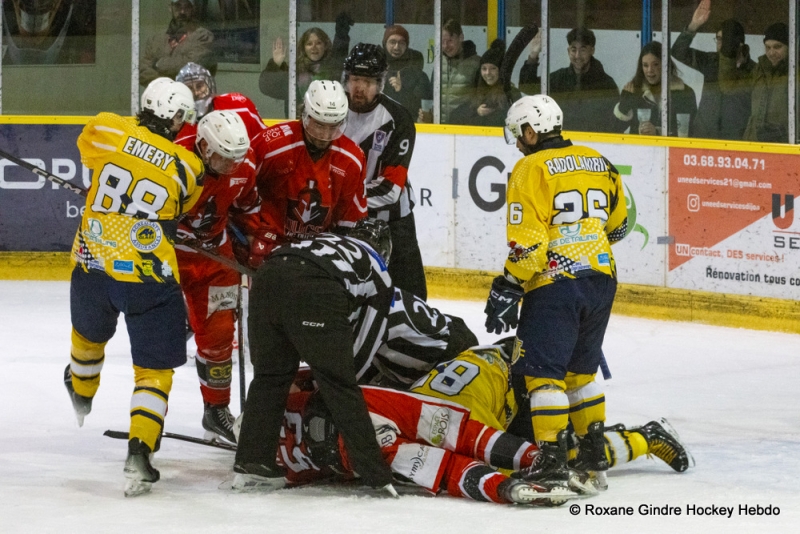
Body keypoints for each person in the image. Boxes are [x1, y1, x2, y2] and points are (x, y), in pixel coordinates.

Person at [63, 78, 204, 497]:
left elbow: (87, 149)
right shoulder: (188, 166)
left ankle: (81, 391)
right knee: (153, 371)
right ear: (176, 118)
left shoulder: (108, 128)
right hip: (149, 278)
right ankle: (140, 450)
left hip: (92, 265)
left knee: (87, 338)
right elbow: (180, 206)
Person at [483, 95, 628, 491]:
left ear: (532, 131)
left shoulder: (529, 168)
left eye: (518, 134)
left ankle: (551, 463)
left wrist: (508, 284)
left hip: (555, 284)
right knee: (580, 373)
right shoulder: (598, 161)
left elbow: (530, 247)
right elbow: (619, 226)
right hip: (602, 278)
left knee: (542, 376)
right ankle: (593, 458)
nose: (517, 143)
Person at [233, 221, 398, 496]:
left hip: (267, 276)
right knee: (340, 384)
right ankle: (375, 474)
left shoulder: (327, 240)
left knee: (269, 377)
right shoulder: (380, 272)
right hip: (315, 286)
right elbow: (365, 342)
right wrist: (339, 371)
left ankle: (253, 464)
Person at [234, 379, 592, 504]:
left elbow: (446, 470)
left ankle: (506, 485)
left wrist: (502, 488)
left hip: (348, 451)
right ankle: (536, 460)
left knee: (441, 466)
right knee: (457, 431)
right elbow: (314, 377)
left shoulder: (283, 470)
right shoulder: (273, 400)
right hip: (357, 406)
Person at [411, 341, 695, 474]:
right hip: (502, 366)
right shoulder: (425, 416)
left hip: (517, 379)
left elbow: (502, 469)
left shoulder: (466, 423)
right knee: (553, 454)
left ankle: (646, 437)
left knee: (557, 461)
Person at [174, 110, 263, 443]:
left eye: (235, 159)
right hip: (168, 256)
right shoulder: (174, 161)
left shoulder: (244, 166)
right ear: (203, 146)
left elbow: (248, 208)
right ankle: (150, 412)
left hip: (214, 257)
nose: (231, 166)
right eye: (224, 158)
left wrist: (251, 246)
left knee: (220, 333)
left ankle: (216, 409)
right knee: (160, 339)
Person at [245, 80, 368, 269]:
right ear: (305, 114)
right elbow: (240, 189)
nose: (325, 135)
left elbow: (349, 219)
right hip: (270, 244)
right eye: (319, 125)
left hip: (318, 252)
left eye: (333, 126)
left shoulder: (352, 159)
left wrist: (338, 255)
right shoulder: (271, 145)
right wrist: (251, 232)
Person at [343, 43, 428, 300]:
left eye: (368, 81)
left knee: (411, 298)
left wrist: (338, 199)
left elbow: (390, 190)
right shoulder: (330, 112)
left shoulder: (398, 119)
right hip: (344, 220)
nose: (360, 87)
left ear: (381, 83)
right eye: (355, 79)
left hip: (394, 222)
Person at [670, 0, 755, 140]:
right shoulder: (711, 61)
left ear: (740, 43)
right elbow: (678, 51)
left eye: (726, 40)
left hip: (736, 142)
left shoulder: (754, 71)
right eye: (719, 39)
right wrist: (693, 25)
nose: (721, 44)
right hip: (704, 137)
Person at [518, 27, 622, 134]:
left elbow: (615, 125)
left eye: (583, 50)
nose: (577, 56)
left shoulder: (607, 84)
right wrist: (533, 54)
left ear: (592, 50)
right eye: (573, 50)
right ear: (568, 51)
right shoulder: (559, 79)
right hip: (563, 142)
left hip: (595, 142)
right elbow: (526, 87)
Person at [258, 15, 352, 118]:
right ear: (303, 47)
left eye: (318, 43)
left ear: (325, 46)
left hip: (326, 122)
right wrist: (276, 64)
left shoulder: (333, 68)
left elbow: (339, 52)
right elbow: (266, 87)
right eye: (309, 44)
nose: (314, 47)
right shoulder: (295, 70)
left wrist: (341, 34)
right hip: (298, 121)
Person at [174, 62, 268, 158]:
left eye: (199, 86)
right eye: (189, 88)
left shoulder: (241, 106)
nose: (196, 92)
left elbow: (264, 143)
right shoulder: (179, 131)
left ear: (210, 85)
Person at [614, 41, 698, 136]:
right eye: (645, 65)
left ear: (665, 65)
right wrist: (623, 107)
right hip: (638, 146)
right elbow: (614, 130)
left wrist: (658, 133)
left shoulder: (685, 93)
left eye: (655, 64)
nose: (650, 70)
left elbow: (691, 133)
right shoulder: (634, 90)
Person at [139, 0, 216, 86]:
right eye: (178, 6)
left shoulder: (203, 36)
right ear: (170, 8)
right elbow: (142, 71)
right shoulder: (156, 39)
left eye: (187, 7)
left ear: (193, 9)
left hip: (190, 94)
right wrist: (168, 83)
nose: (182, 11)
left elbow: (192, 67)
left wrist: (158, 64)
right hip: (160, 93)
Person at [450, 39, 521, 127]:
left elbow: (513, 120)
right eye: (484, 68)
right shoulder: (477, 92)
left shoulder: (511, 94)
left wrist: (487, 115)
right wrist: (476, 112)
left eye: (493, 68)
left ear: (501, 71)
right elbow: (455, 116)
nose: (488, 73)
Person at [743, 22, 789, 142]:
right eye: (768, 47)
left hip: (785, 146)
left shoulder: (795, 73)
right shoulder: (759, 69)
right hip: (754, 143)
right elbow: (729, 87)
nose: (771, 52)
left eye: (777, 47)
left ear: (790, 47)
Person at [433, 19, 480, 124]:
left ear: (461, 38)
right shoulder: (439, 63)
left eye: (450, 41)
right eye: (442, 41)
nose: (445, 46)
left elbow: (481, 100)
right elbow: (430, 97)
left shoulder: (477, 64)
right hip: (439, 128)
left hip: (465, 127)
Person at [381, 24, 433, 120]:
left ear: (407, 45)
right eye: (392, 42)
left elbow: (421, 110)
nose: (396, 47)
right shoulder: (377, 71)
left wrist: (402, 91)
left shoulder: (419, 75)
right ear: (385, 44)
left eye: (401, 43)